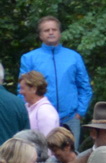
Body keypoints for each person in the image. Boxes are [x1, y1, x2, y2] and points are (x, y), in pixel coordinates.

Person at [19, 17, 91, 146]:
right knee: (41, 152)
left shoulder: (74, 57)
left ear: (60, 33)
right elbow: (22, 89)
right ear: (40, 35)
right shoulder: (29, 58)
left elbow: (84, 87)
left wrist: (79, 112)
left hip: (70, 119)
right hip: (40, 117)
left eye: (54, 29)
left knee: (71, 155)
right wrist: (26, 113)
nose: (51, 33)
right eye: (46, 30)